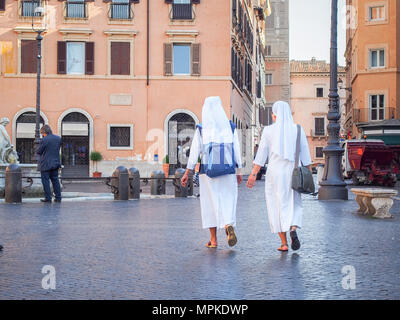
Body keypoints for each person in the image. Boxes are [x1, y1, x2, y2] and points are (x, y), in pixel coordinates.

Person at [246, 101, 312, 252]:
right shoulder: (298, 129)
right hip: (294, 172)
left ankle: (283, 243)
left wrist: (253, 174)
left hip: (275, 173)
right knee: (294, 203)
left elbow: (261, 155)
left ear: (275, 114)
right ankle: (293, 228)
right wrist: (309, 173)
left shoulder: (268, 131)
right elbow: (306, 155)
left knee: (276, 205)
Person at [181, 96, 243, 248]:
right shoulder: (231, 127)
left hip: (208, 173)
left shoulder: (202, 129)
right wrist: (239, 171)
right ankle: (228, 225)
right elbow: (237, 150)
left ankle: (213, 240)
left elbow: (194, 152)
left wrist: (187, 173)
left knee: (209, 203)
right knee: (228, 199)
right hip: (228, 171)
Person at [37, 125, 62, 203]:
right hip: (55, 163)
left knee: (45, 181)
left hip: (45, 164)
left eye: (42, 133)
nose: (42, 135)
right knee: (55, 180)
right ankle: (58, 197)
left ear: (44, 132)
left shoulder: (44, 140)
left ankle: (48, 198)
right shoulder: (58, 138)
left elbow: (39, 151)